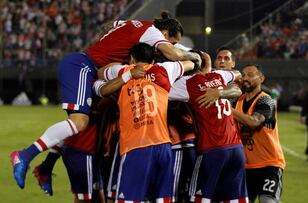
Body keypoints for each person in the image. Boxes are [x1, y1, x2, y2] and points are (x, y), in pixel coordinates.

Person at [10, 12, 201, 191]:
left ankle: (45, 166)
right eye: (172, 41)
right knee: (80, 122)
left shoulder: (131, 24)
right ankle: (24, 156)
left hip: (88, 68)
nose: (173, 46)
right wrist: (195, 56)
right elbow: (174, 55)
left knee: (87, 121)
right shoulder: (151, 31)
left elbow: (109, 25)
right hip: (84, 66)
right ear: (165, 33)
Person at [97, 43, 195, 202]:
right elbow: (190, 63)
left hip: (136, 146)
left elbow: (101, 73)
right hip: (163, 146)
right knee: (163, 199)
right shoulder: (165, 69)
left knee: (128, 199)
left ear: (132, 59)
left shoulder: (124, 71)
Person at [169, 51, 248, 202]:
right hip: (236, 148)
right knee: (236, 199)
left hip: (212, 148)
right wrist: (219, 91)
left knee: (199, 198)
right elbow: (237, 75)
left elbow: (159, 90)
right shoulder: (219, 76)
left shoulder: (186, 83)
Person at [233, 64, 285, 203]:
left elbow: (253, 122)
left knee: (267, 201)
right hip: (246, 166)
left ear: (261, 78)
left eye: (250, 75)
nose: (245, 78)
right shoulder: (238, 101)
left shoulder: (266, 100)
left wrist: (226, 108)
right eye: (243, 75)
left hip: (269, 164)